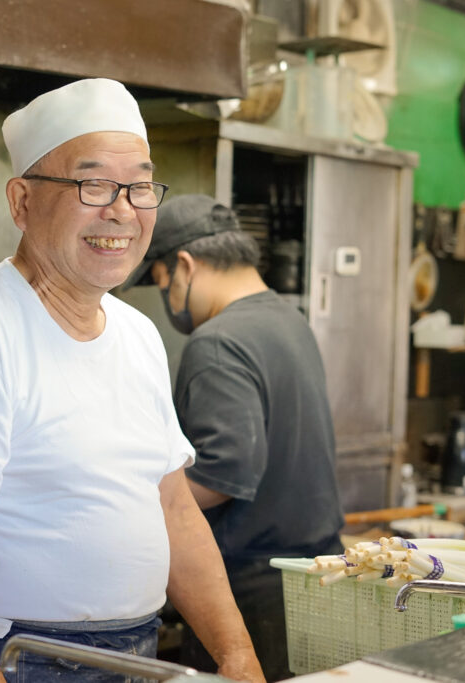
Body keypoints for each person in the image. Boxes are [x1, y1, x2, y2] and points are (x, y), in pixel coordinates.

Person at [0, 80, 265, 683]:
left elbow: (172, 507)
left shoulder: (138, 335)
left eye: (140, 185)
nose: (121, 210)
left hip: (134, 656)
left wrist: (237, 656)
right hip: (8, 656)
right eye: (93, 184)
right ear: (21, 201)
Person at [124, 194, 345, 680]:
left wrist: (131, 506)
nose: (168, 302)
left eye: (162, 284)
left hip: (251, 589)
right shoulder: (288, 320)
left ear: (184, 265)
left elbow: (224, 473)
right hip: (312, 577)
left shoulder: (218, 341)